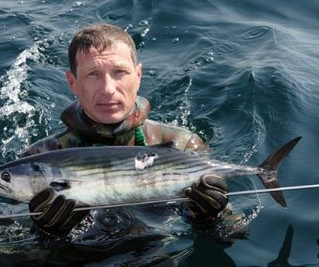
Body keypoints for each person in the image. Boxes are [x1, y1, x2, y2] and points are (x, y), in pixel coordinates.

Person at [22, 23, 229, 237]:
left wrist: (210, 218)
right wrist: (45, 234)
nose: (108, 89)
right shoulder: (39, 160)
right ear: (72, 82)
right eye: (93, 74)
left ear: (138, 76)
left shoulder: (183, 144)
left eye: (119, 72)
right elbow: (7, 251)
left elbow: (235, 232)